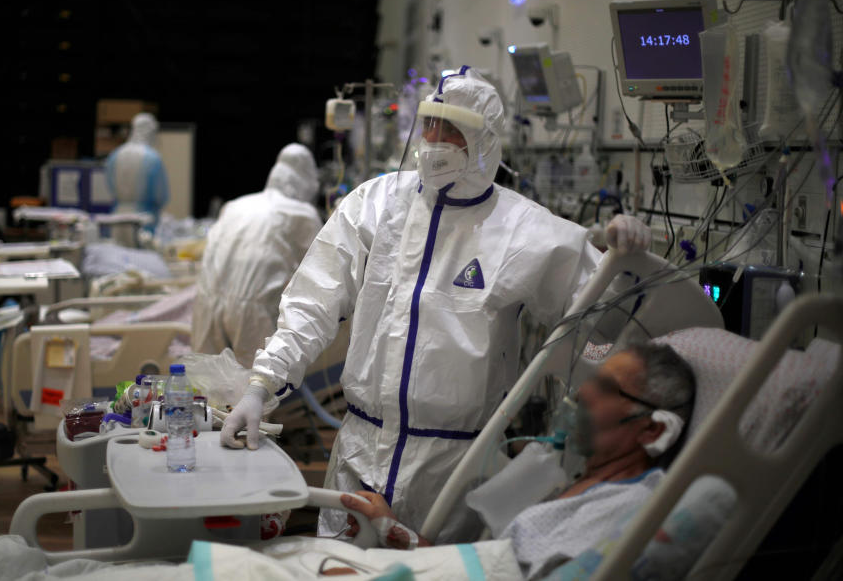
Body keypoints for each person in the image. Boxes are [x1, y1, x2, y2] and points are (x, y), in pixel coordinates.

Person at [220, 66, 652, 542]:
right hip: (360, 453)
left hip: (454, 469)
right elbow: (311, 303)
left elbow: (605, 329)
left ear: (484, 141)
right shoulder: (375, 203)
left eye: (452, 129)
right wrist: (262, 384)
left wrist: (629, 264)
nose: (435, 139)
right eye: (430, 124)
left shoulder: (526, 230)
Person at [340, 343, 697, 579]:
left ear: (652, 430)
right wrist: (390, 528)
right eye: (593, 380)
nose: (583, 393)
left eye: (606, 388)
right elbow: (484, 566)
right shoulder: (577, 484)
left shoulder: (629, 506)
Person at [192, 144, 323, 368]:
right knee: (256, 389)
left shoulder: (235, 205)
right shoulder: (302, 215)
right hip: (251, 310)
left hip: (206, 302)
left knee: (207, 388)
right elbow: (322, 271)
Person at [104, 112, 169, 228]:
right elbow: (161, 195)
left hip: (118, 216)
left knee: (117, 246)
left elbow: (110, 186)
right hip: (144, 218)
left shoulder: (115, 155)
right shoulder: (152, 158)